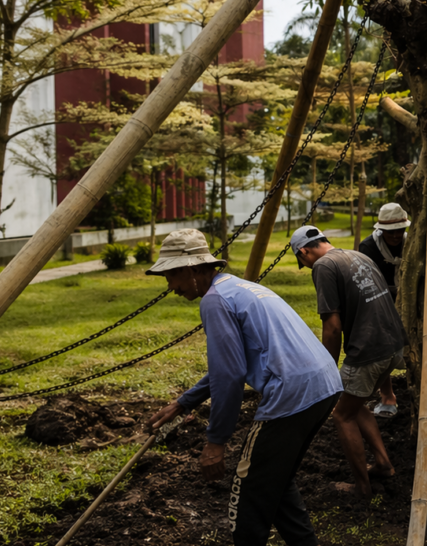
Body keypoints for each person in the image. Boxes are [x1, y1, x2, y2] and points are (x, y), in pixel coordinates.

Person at [145, 229, 342, 546]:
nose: (170, 286)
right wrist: (183, 403)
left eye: (171, 275)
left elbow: (229, 375)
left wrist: (216, 441)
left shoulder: (214, 301)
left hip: (291, 392)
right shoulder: (238, 288)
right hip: (324, 384)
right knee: (274, 481)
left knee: (248, 492)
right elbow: (229, 365)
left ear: (194, 269)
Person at [290, 226, 407, 496]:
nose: (307, 266)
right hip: (393, 344)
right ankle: (383, 464)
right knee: (354, 405)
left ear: (304, 251)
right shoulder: (357, 255)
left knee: (342, 416)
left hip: (369, 351)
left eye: (302, 262)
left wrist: (326, 368)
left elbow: (332, 327)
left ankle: (362, 487)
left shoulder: (323, 266)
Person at [357, 203, 410, 418]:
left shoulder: (412, 242)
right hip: (380, 299)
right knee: (384, 348)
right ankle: (387, 395)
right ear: (382, 230)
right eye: (391, 231)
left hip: (411, 296)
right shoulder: (368, 247)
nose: (397, 235)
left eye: (400, 229)